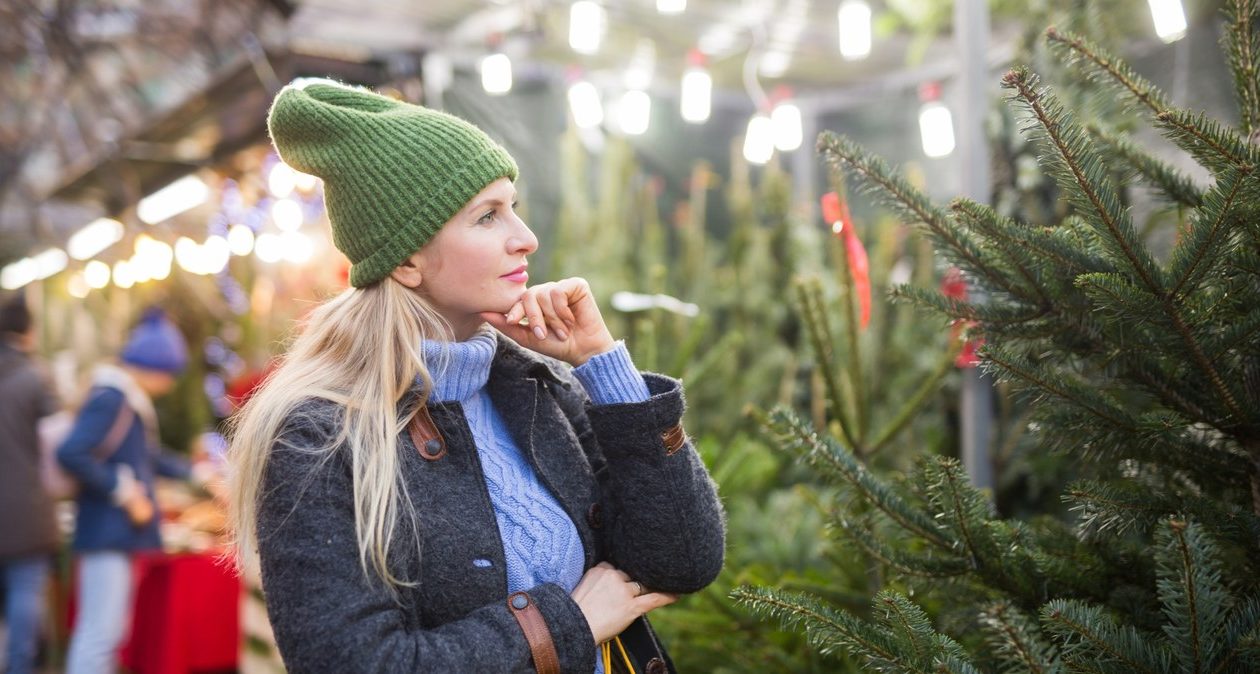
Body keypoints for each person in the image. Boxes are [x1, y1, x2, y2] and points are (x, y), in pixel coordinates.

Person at [227, 80, 726, 673]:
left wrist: (601, 364)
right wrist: (569, 622)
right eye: (487, 216)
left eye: (513, 207)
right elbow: (358, 663)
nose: (526, 238)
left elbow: (683, 561)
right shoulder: (320, 435)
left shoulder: (534, 390)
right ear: (408, 260)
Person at [57, 308, 194, 674]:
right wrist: (124, 491)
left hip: (113, 533)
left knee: (106, 633)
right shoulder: (113, 398)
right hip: (107, 532)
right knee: (99, 635)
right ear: (155, 366)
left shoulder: (121, 397)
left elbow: (146, 457)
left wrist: (194, 471)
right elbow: (71, 451)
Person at [0, 292, 59, 674]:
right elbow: (57, 448)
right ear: (29, 332)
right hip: (25, 510)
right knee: (24, 598)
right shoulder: (36, 379)